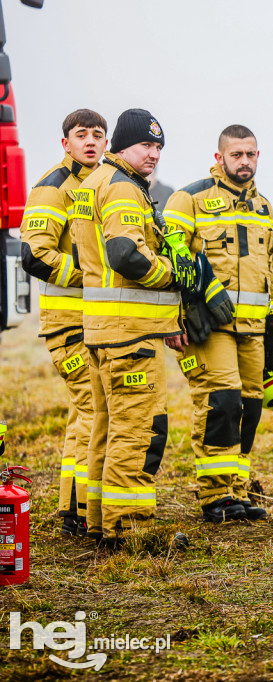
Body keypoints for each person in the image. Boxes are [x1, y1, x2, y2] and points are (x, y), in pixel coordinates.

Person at [69, 109, 189, 546]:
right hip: (130, 335)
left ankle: (101, 523)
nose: (153, 154)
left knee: (105, 428)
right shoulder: (122, 187)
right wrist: (173, 273)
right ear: (123, 146)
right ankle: (130, 529)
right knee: (137, 430)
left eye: (158, 147)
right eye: (146, 145)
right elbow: (126, 255)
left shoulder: (95, 182)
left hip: (104, 330)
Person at [162, 124, 273, 523]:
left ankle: (237, 488)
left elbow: (271, 271)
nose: (245, 161)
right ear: (220, 158)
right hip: (207, 329)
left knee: (250, 407)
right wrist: (172, 317)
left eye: (251, 154)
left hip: (253, 330)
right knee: (221, 403)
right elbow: (170, 258)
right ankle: (214, 496)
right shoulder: (189, 199)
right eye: (237, 155)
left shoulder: (264, 206)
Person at [20, 109, 107, 536]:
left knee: (85, 409)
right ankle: (81, 508)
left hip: (97, 320)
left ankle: (73, 505)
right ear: (65, 143)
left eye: (97, 135)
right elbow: (35, 256)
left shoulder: (105, 184)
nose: (90, 142)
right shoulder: (53, 187)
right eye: (81, 135)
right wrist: (92, 274)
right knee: (92, 407)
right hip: (67, 323)